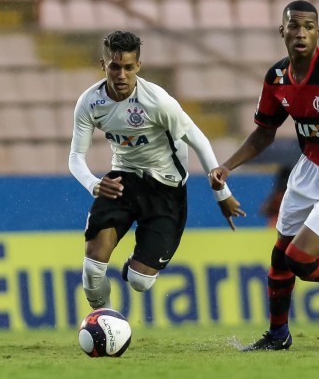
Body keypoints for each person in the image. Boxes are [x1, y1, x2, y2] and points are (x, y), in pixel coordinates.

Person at [210, 0, 319, 351]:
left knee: (299, 259)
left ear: (318, 32)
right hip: (307, 170)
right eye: (294, 25)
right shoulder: (277, 77)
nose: (301, 33)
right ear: (283, 31)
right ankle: (278, 336)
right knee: (280, 258)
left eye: (309, 26)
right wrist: (227, 166)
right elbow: (264, 132)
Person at [68, 30, 245, 311]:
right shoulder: (90, 103)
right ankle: (106, 323)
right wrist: (94, 184)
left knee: (140, 281)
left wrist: (222, 194)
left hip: (166, 187)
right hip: (122, 179)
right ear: (103, 66)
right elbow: (76, 156)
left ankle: (137, 266)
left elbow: (199, 140)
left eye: (128, 67)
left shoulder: (158, 102)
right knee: (92, 268)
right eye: (114, 67)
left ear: (139, 66)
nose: (121, 75)